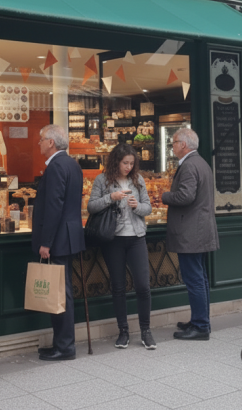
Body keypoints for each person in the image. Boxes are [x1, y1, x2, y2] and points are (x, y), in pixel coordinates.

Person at [87, 143, 155, 350]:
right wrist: (111, 198)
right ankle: (123, 331)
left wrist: (137, 207)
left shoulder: (138, 180)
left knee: (143, 286)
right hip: (114, 239)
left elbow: (148, 207)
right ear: (116, 161)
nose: (128, 167)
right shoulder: (102, 180)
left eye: (131, 163)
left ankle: (146, 330)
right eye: (125, 163)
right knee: (118, 287)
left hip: (136, 237)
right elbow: (91, 206)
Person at [32, 124, 85, 361]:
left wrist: (46, 242)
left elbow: (54, 206)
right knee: (62, 291)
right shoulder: (73, 164)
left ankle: (64, 346)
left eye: (41, 139)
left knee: (59, 293)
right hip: (69, 236)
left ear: (51, 142)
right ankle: (61, 343)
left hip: (58, 239)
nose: (39, 143)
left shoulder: (55, 167)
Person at [161, 128, 219, 341]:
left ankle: (201, 325)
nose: (172, 146)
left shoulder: (189, 165)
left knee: (194, 279)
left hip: (191, 232)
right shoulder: (201, 163)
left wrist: (165, 196)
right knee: (200, 278)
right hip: (200, 230)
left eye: (174, 142)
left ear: (183, 145)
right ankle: (199, 320)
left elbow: (185, 196)